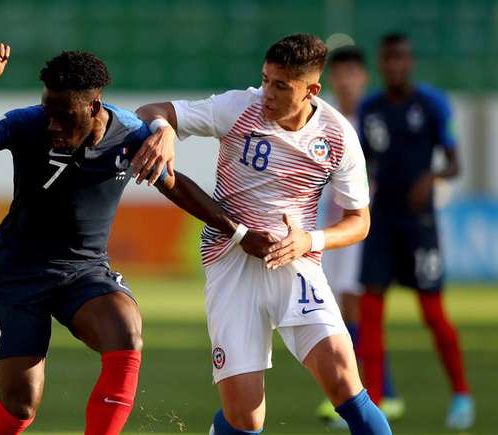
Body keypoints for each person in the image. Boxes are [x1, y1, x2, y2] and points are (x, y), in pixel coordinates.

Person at [0, 43, 243, 435]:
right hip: (19, 276)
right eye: (49, 112)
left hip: (84, 272)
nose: (53, 125)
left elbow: (173, 184)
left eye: (63, 116)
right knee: (18, 410)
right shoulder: (29, 124)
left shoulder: (130, 135)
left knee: (126, 331)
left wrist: (237, 230)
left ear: (94, 106)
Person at [136, 34, 392, 434]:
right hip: (231, 263)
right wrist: (163, 127)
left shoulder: (338, 136)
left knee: (345, 381)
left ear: (311, 90)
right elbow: (152, 110)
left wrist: (310, 240)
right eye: (265, 79)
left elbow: (360, 221)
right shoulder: (239, 107)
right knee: (246, 418)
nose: (267, 93)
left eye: (281, 85)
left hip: (298, 264)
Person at [357, 33, 473, 430]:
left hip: (420, 225)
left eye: (401, 59)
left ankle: (461, 394)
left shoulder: (432, 104)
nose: (394, 66)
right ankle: (371, 402)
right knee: (370, 310)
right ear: (381, 63)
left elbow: (455, 163)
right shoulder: (370, 109)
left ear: (411, 62)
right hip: (380, 223)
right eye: (388, 59)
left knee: (433, 313)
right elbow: (358, 163)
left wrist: (433, 176)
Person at [315, 46, 404, 427]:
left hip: (359, 226)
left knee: (354, 306)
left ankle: (373, 392)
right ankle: (374, 391)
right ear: (330, 79)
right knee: (336, 307)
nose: (347, 80)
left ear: (363, 77)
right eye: (340, 73)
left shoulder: (371, 118)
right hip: (326, 224)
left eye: (353, 72)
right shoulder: (322, 117)